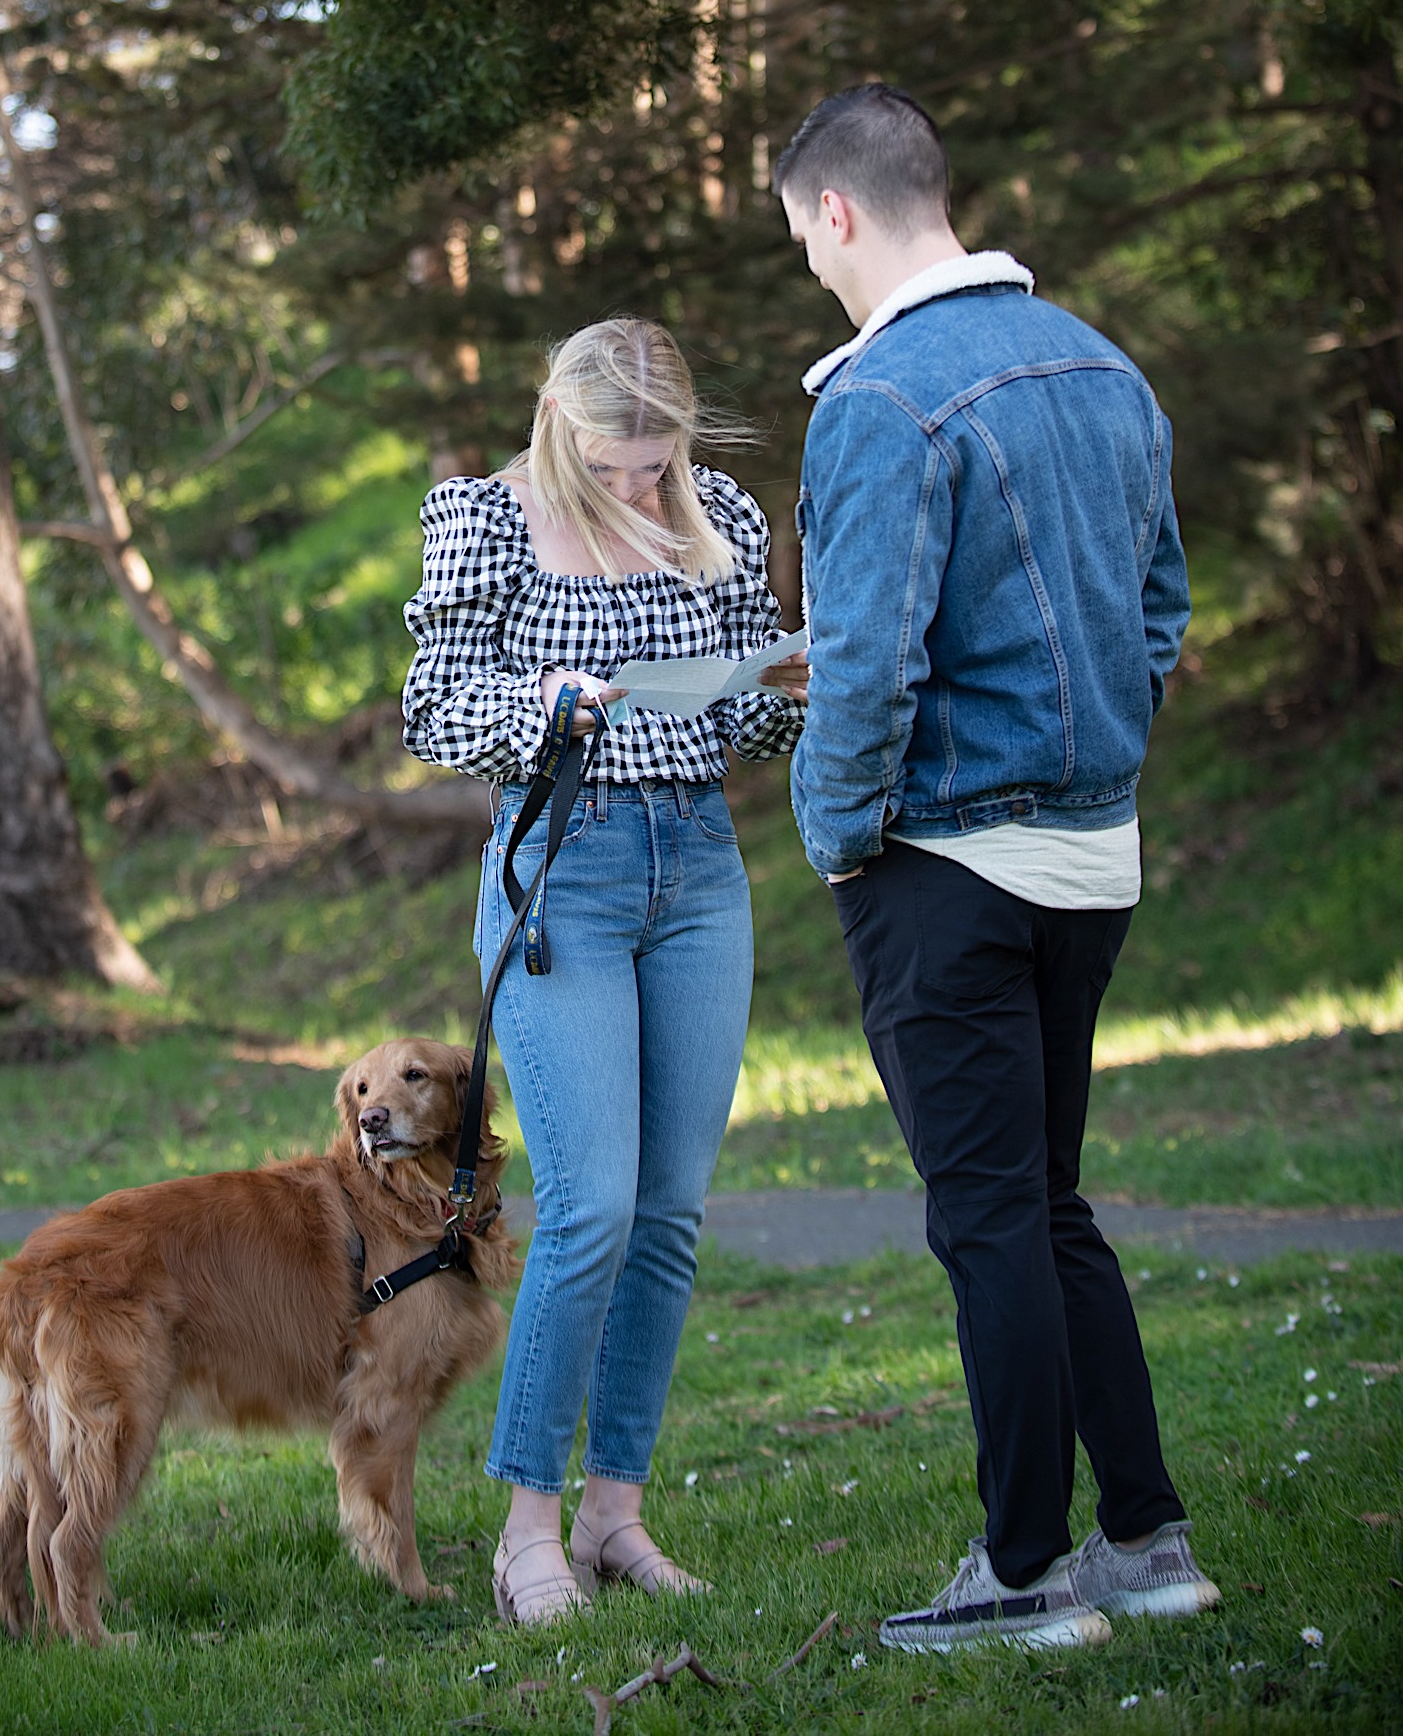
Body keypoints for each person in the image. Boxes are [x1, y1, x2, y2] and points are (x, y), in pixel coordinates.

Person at [774, 82, 1221, 1654]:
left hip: (946, 864)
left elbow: (867, 671)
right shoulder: (1102, 363)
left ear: (837, 211)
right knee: (1045, 1202)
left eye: (803, 242)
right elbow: (1159, 602)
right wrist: (1101, 741)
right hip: (1093, 856)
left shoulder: (880, 399)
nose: (814, 274)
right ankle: (1148, 1541)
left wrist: (840, 845)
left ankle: (1024, 1575)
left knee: (988, 1221)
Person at [401, 318, 806, 1625]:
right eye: (615, 464)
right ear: (556, 425)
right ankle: (527, 1527)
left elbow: (745, 717)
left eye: (657, 462)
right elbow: (432, 708)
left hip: (694, 870)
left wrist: (785, 679)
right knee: (593, 1203)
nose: (639, 487)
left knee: (672, 1210)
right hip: (558, 873)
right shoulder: (484, 518)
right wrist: (544, 706)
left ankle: (615, 1514)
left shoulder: (717, 516)